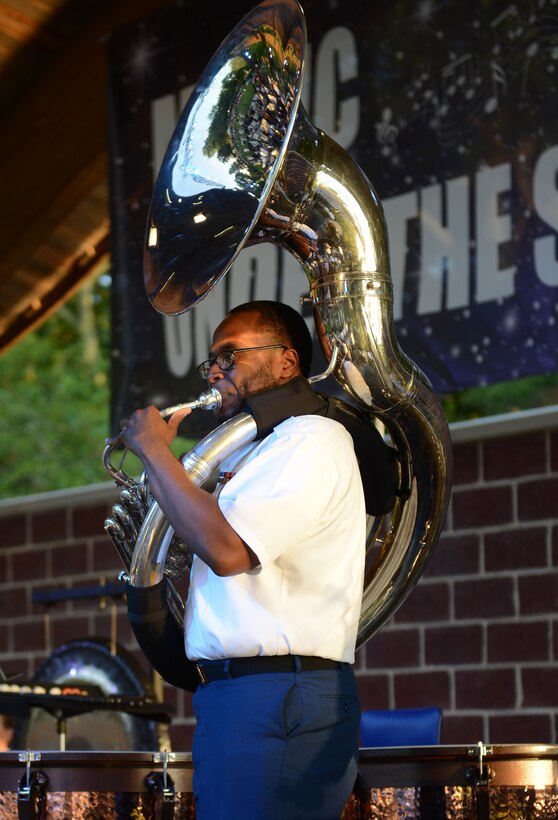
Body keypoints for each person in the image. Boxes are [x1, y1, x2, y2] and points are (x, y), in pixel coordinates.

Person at [117, 300, 367, 820]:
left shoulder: (311, 439)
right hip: (242, 696)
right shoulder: (249, 452)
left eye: (230, 356)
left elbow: (229, 551)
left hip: (277, 696)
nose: (214, 371)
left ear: (287, 363)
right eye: (211, 361)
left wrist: (156, 454)